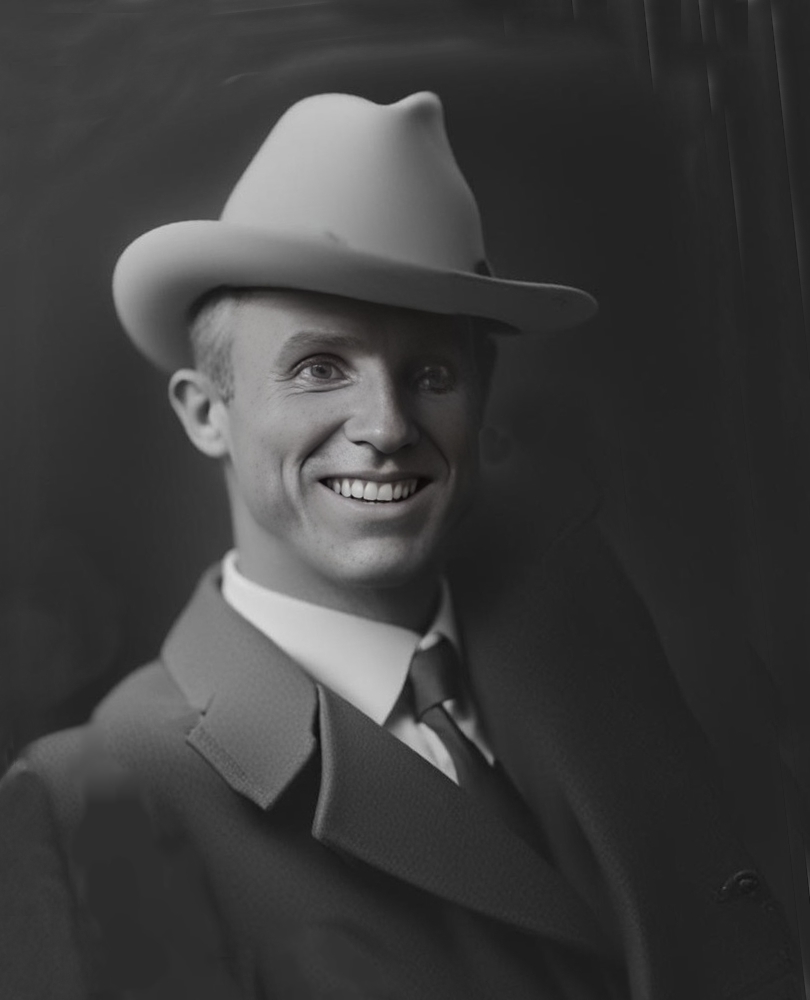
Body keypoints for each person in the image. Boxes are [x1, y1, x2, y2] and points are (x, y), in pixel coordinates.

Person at [0, 91, 801, 1000]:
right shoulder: (91, 800)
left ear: (481, 392)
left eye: (431, 372)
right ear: (204, 412)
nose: (386, 425)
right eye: (319, 368)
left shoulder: (588, 631)